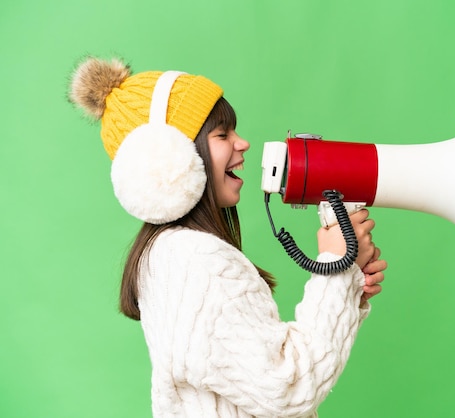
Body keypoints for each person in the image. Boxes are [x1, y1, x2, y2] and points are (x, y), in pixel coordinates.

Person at [68, 57, 387, 418]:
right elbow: (288, 387)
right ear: (172, 159)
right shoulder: (196, 262)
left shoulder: (171, 256)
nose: (243, 143)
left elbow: (259, 374)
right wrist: (335, 267)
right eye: (222, 134)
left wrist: (344, 287)